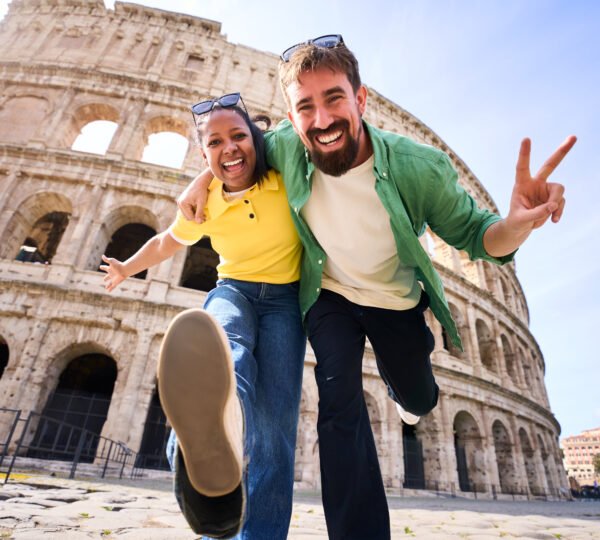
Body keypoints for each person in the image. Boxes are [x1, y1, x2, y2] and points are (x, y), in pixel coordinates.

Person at [178, 35, 576, 540]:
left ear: (360, 99)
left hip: (394, 300)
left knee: (419, 394)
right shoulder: (280, 145)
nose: (321, 120)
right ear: (291, 116)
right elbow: (233, 159)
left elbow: (479, 237)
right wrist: (200, 182)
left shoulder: (418, 166)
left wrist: (517, 223)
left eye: (334, 99)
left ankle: (409, 389)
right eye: (306, 107)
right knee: (338, 397)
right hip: (329, 294)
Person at [100, 93, 306, 539]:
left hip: (287, 301)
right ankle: (205, 452)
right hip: (233, 288)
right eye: (215, 143)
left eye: (239, 136)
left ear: (257, 139)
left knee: (276, 427)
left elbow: (292, 134)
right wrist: (126, 267)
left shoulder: (284, 175)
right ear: (203, 152)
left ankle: (247, 516)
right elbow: (166, 243)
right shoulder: (206, 200)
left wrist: (201, 175)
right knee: (225, 352)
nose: (229, 148)